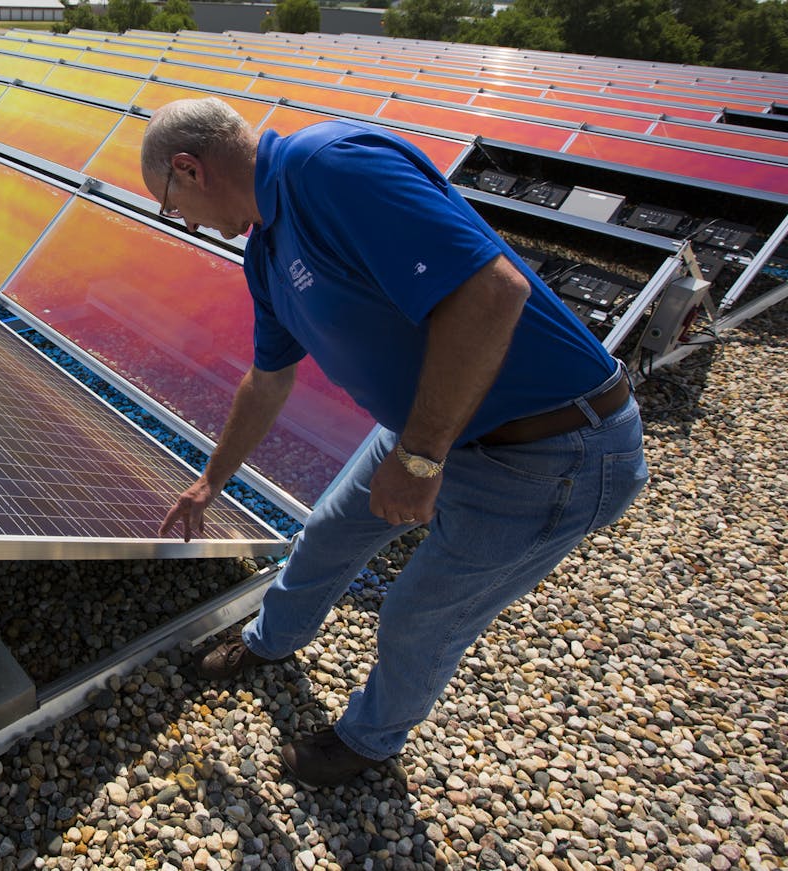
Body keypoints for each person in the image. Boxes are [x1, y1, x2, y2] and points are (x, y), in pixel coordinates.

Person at [142, 98, 648, 788]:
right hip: (436, 429)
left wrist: (419, 457)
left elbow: (492, 293)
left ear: (188, 168)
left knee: (420, 613)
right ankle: (270, 641)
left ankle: (369, 741)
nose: (185, 222)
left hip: (548, 450)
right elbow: (267, 381)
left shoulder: (327, 168)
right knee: (326, 534)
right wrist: (211, 481)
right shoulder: (265, 250)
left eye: (173, 205)